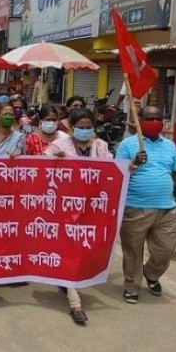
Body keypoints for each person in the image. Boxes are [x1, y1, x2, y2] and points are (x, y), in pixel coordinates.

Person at [44, 108, 111, 325]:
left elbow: (112, 170)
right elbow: (38, 168)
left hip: (93, 207)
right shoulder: (59, 146)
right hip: (65, 206)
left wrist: (133, 164)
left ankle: (69, 280)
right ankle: (75, 304)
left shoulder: (101, 146)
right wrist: (55, 159)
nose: (84, 130)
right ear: (72, 127)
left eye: (88, 127)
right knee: (68, 248)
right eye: (80, 127)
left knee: (83, 248)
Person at [116, 106, 176, 304]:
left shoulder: (170, 146)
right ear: (139, 121)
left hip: (166, 208)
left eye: (158, 117)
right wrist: (133, 163)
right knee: (133, 250)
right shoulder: (128, 144)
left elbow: (174, 172)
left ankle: (151, 274)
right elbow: (116, 174)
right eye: (150, 118)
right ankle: (132, 286)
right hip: (136, 207)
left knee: (165, 250)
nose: (155, 121)